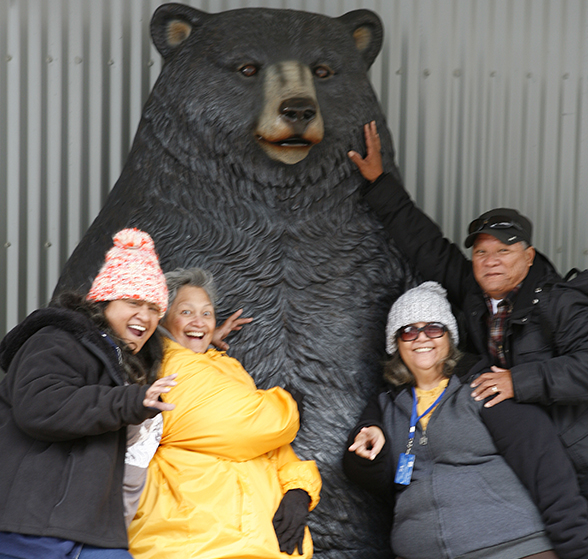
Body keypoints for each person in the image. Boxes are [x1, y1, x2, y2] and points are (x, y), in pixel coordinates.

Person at [348, 122, 588, 496]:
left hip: (573, 452)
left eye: (504, 251)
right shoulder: (473, 292)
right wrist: (379, 182)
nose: (491, 261)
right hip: (509, 448)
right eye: (481, 252)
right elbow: (425, 244)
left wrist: (517, 381)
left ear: (527, 258)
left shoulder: (559, 301)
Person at [344, 282, 562, 558]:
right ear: (395, 343)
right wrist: (364, 451)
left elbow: (544, 463)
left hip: (513, 546)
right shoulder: (386, 405)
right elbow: (372, 479)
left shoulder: (484, 385)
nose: (422, 338)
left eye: (434, 328)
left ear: (449, 337)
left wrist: (575, 545)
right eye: (409, 331)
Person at [0, 228, 177, 559]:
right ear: (104, 301)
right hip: (27, 526)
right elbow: (41, 407)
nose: (146, 316)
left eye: (155, 307)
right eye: (133, 302)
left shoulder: (125, 362)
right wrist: (132, 401)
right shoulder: (55, 339)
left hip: (88, 531)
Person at [127, 267, 322, 559]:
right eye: (186, 312)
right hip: (197, 541)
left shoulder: (227, 368)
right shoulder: (170, 367)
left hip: (255, 541)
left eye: (207, 314)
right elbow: (250, 426)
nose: (199, 322)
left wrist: (299, 489)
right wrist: (288, 405)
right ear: (165, 320)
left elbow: (271, 447)